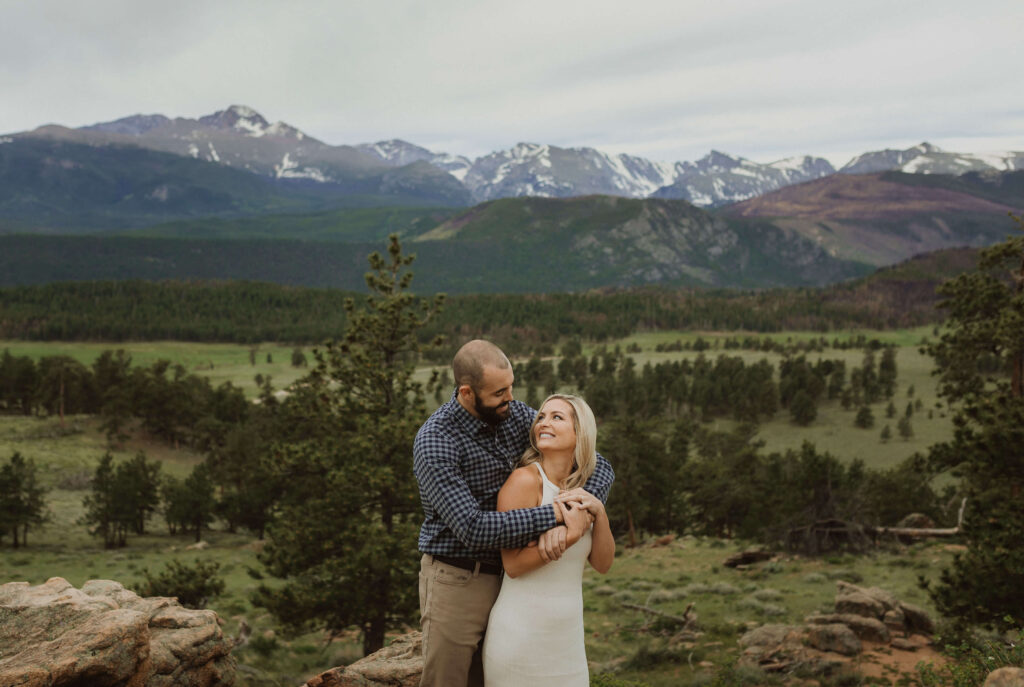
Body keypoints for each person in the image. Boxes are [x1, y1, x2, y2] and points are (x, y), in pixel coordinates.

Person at [414, 340, 614, 687]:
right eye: (499, 393)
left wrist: (582, 509)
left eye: (511, 387)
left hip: (515, 585)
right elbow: (473, 529)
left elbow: (598, 464)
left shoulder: (515, 414)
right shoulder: (437, 441)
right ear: (466, 392)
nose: (512, 398)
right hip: (460, 577)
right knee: (449, 680)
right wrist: (558, 517)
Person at [481, 394, 614, 686]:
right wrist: (571, 535)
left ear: (580, 432)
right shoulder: (524, 481)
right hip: (521, 639)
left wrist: (598, 513)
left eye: (557, 417)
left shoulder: (585, 488)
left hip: (567, 644)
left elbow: (603, 564)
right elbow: (513, 566)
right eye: (541, 416)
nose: (543, 423)